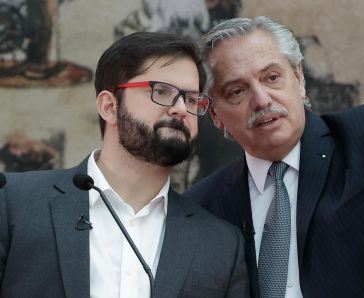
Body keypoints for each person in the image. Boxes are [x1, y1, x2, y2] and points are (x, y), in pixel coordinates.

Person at [184, 16, 364, 298]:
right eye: (237, 91)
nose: (261, 100)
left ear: (299, 79)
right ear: (216, 115)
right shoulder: (201, 208)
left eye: (272, 77)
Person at [0, 32, 249, 297]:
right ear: (109, 106)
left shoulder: (221, 244)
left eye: (191, 99)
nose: (180, 109)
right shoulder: (14, 204)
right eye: (161, 91)